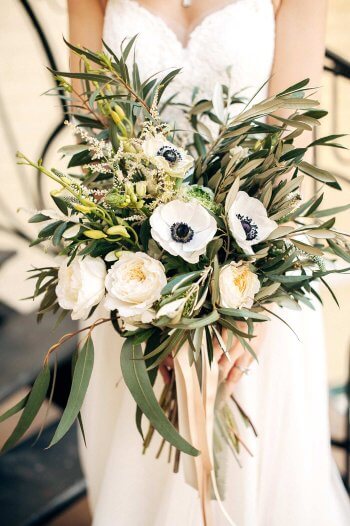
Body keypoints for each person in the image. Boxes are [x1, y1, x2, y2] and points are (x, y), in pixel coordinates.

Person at [68, 1, 350, 524]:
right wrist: (142, 282)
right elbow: (92, 124)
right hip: (131, 274)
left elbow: (292, 142)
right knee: (138, 474)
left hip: (258, 261)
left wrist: (252, 300)